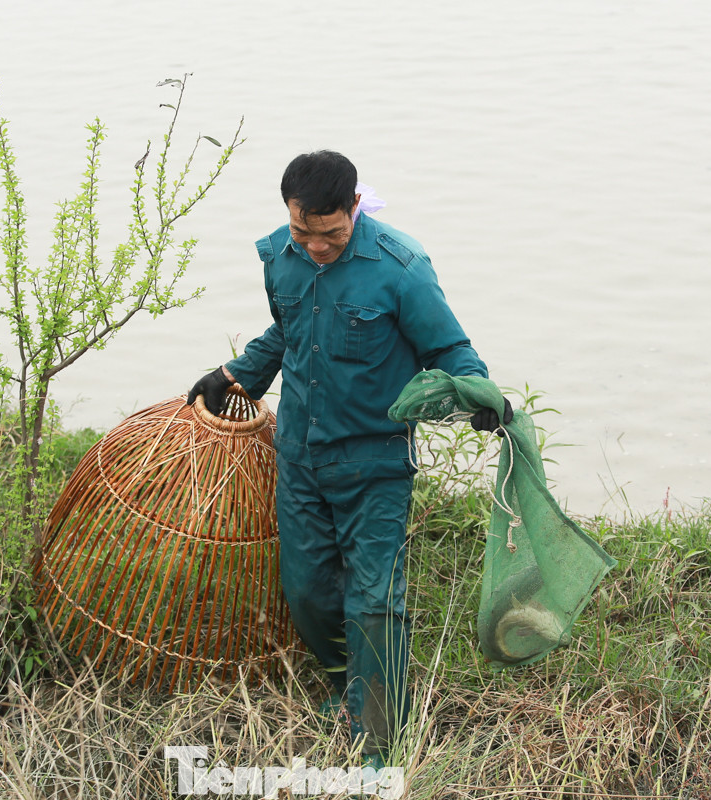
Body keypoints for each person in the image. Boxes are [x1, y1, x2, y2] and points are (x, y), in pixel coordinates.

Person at [187, 150, 511, 757]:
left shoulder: (401, 267)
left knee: (374, 602)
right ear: (289, 214)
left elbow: (449, 348)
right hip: (300, 457)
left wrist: (479, 395)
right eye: (302, 231)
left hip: (375, 463)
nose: (315, 246)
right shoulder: (280, 259)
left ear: (354, 208)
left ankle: (382, 737)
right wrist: (235, 375)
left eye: (330, 233)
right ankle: (345, 686)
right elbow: (288, 330)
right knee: (308, 592)